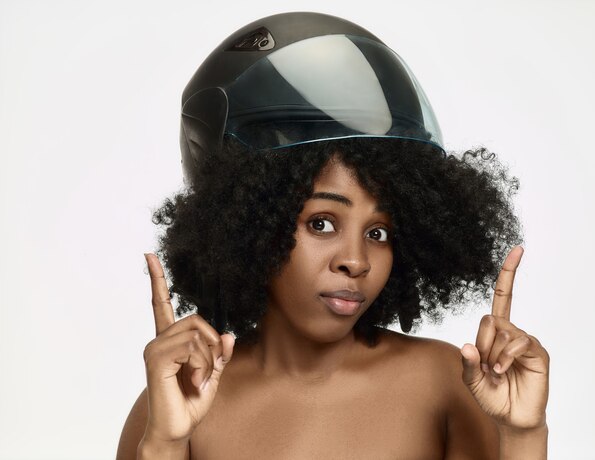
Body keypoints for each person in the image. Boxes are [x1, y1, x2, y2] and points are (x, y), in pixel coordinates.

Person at [117, 12, 549, 459]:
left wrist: (523, 435)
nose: (356, 260)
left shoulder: (446, 384)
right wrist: (164, 444)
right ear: (246, 225)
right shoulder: (176, 403)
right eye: (321, 223)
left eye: (379, 232)